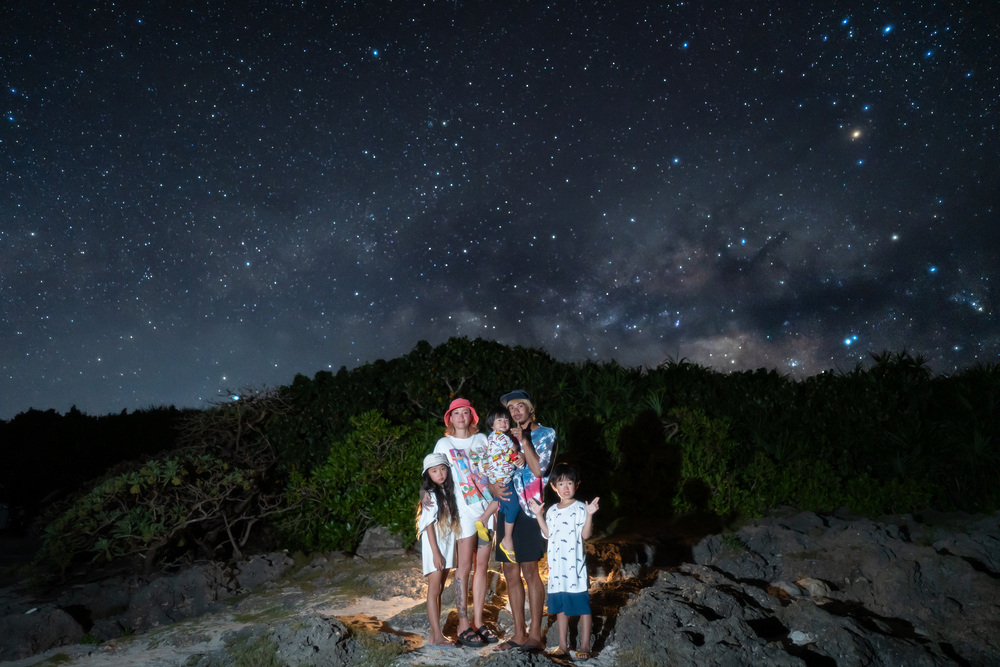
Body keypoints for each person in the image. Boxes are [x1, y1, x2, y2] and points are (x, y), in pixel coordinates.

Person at [488, 389, 558, 653]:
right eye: (511, 408)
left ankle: (535, 635)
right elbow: (491, 465)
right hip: (507, 508)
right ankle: (519, 633)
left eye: (520, 406)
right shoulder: (502, 435)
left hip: (531, 509)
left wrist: (524, 441)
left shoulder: (546, 434)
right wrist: (491, 486)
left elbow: (539, 471)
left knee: (530, 571)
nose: (515, 411)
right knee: (509, 572)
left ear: (530, 409)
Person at [431, 398, 499, 647]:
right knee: (464, 567)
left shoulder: (482, 439)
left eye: (465, 412)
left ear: (472, 416)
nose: (461, 417)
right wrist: (426, 495)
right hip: (464, 512)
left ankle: (478, 621)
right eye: (456, 413)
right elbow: (433, 473)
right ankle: (462, 623)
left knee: (482, 565)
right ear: (450, 418)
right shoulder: (444, 443)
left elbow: (496, 466)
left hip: (487, 510)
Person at [528, 463, 599, 660]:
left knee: (583, 607)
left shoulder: (580, 508)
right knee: (560, 608)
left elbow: (585, 535)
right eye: (561, 483)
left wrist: (590, 514)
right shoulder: (552, 511)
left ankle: (585, 645)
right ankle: (562, 644)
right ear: (553, 487)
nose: (565, 487)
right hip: (557, 569)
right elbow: (547, 534)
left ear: (577, 484)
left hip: (575, 568)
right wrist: (538, 515)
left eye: (569, 483)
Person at [416, 452, 461, 649]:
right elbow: (428, 525)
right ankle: (437, 635)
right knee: (434, 590)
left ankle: (435, 634)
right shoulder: (431, 496)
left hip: (446, 544)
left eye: (443, 469)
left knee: (440, 589)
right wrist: (436, 553)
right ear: (428, 474)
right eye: (434, 471)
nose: (440, 474)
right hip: (436, 547)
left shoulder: (448, 492)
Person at [473, 405, 521, 563]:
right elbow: (514, 449)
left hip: (495, 477)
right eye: (499, 420)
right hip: (503, 477)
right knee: (513, 507)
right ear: (491, 425)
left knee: (499, 498)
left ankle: (483, 518)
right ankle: (507, 539)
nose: (504, 422)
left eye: (506, 420)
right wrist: (516, 451)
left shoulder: (491, 438)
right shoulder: (502, 437)